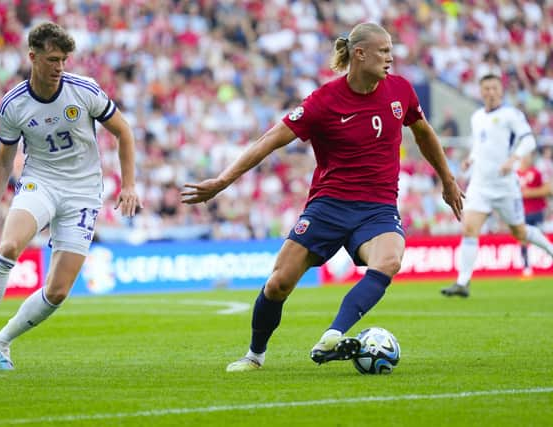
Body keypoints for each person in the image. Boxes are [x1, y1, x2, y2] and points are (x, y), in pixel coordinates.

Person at [182, 22, 464, 372]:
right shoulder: (324, 101)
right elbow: (270, 140)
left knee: (389, 261)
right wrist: (224, 180)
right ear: (360, 54)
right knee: (278, 283)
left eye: (391, 51)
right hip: (328, 205)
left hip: (378, 207)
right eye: (384, 51)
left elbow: (424, 133)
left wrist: (448, 180)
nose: (391, 58)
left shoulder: (401, 90)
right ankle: (255, 355)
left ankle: (333, 335)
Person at [0, 22, 141, 370]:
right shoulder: (13, 105)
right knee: (9, 246)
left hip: (84, 192)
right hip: (40, 182)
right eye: (52, 59)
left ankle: (2, 341)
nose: (60, 67)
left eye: (63, 60)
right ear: (33, 57)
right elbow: (2, 164)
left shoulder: (83, 90)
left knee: (58, 291)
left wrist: (130, 184)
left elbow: (123, 131)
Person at [441, 74, 553, 298]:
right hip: (481, 184)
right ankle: (463, 282)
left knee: (519, 231)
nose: (490, 92)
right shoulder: (477, 117)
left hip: (505, 186)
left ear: (500, 91)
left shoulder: (511, 115)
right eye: (486, 89)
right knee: (469, 228)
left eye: (493, 88)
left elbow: (529, 139)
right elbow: (479, 144)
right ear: (481, 92)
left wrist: (514, 159)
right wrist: (471, 159)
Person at [517, 152, 550, 278]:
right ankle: (526, 267)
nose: (527, 158)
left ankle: (546, 261)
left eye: (529, 155)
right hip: (521, 213)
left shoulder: (536, 172)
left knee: (541, 238)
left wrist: (529, 192)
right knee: (523, 239)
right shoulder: (515, 175)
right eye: (525, 155)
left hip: (537, 211)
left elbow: (547, 190)